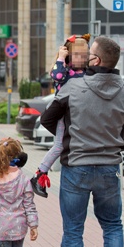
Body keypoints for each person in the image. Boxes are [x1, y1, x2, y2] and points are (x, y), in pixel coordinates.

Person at [41, 36, 124, 247]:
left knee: (73, 231)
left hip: (77, 169)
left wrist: (75, 134)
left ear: (96, 60)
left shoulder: (73, 87)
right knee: (112, 225)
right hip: (109, 168)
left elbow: (47, 119)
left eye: (88, 53)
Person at [31, 34, 90, 198]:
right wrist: (61, 57)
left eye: (84, 55)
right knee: (59, 145)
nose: (81, 58)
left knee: (67, 144)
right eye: (77, 55)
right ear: (69, 55)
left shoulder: (86, 71)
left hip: (77, 113)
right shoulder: (65, 72)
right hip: (63, 114)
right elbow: (56, 76)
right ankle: (39, 175)